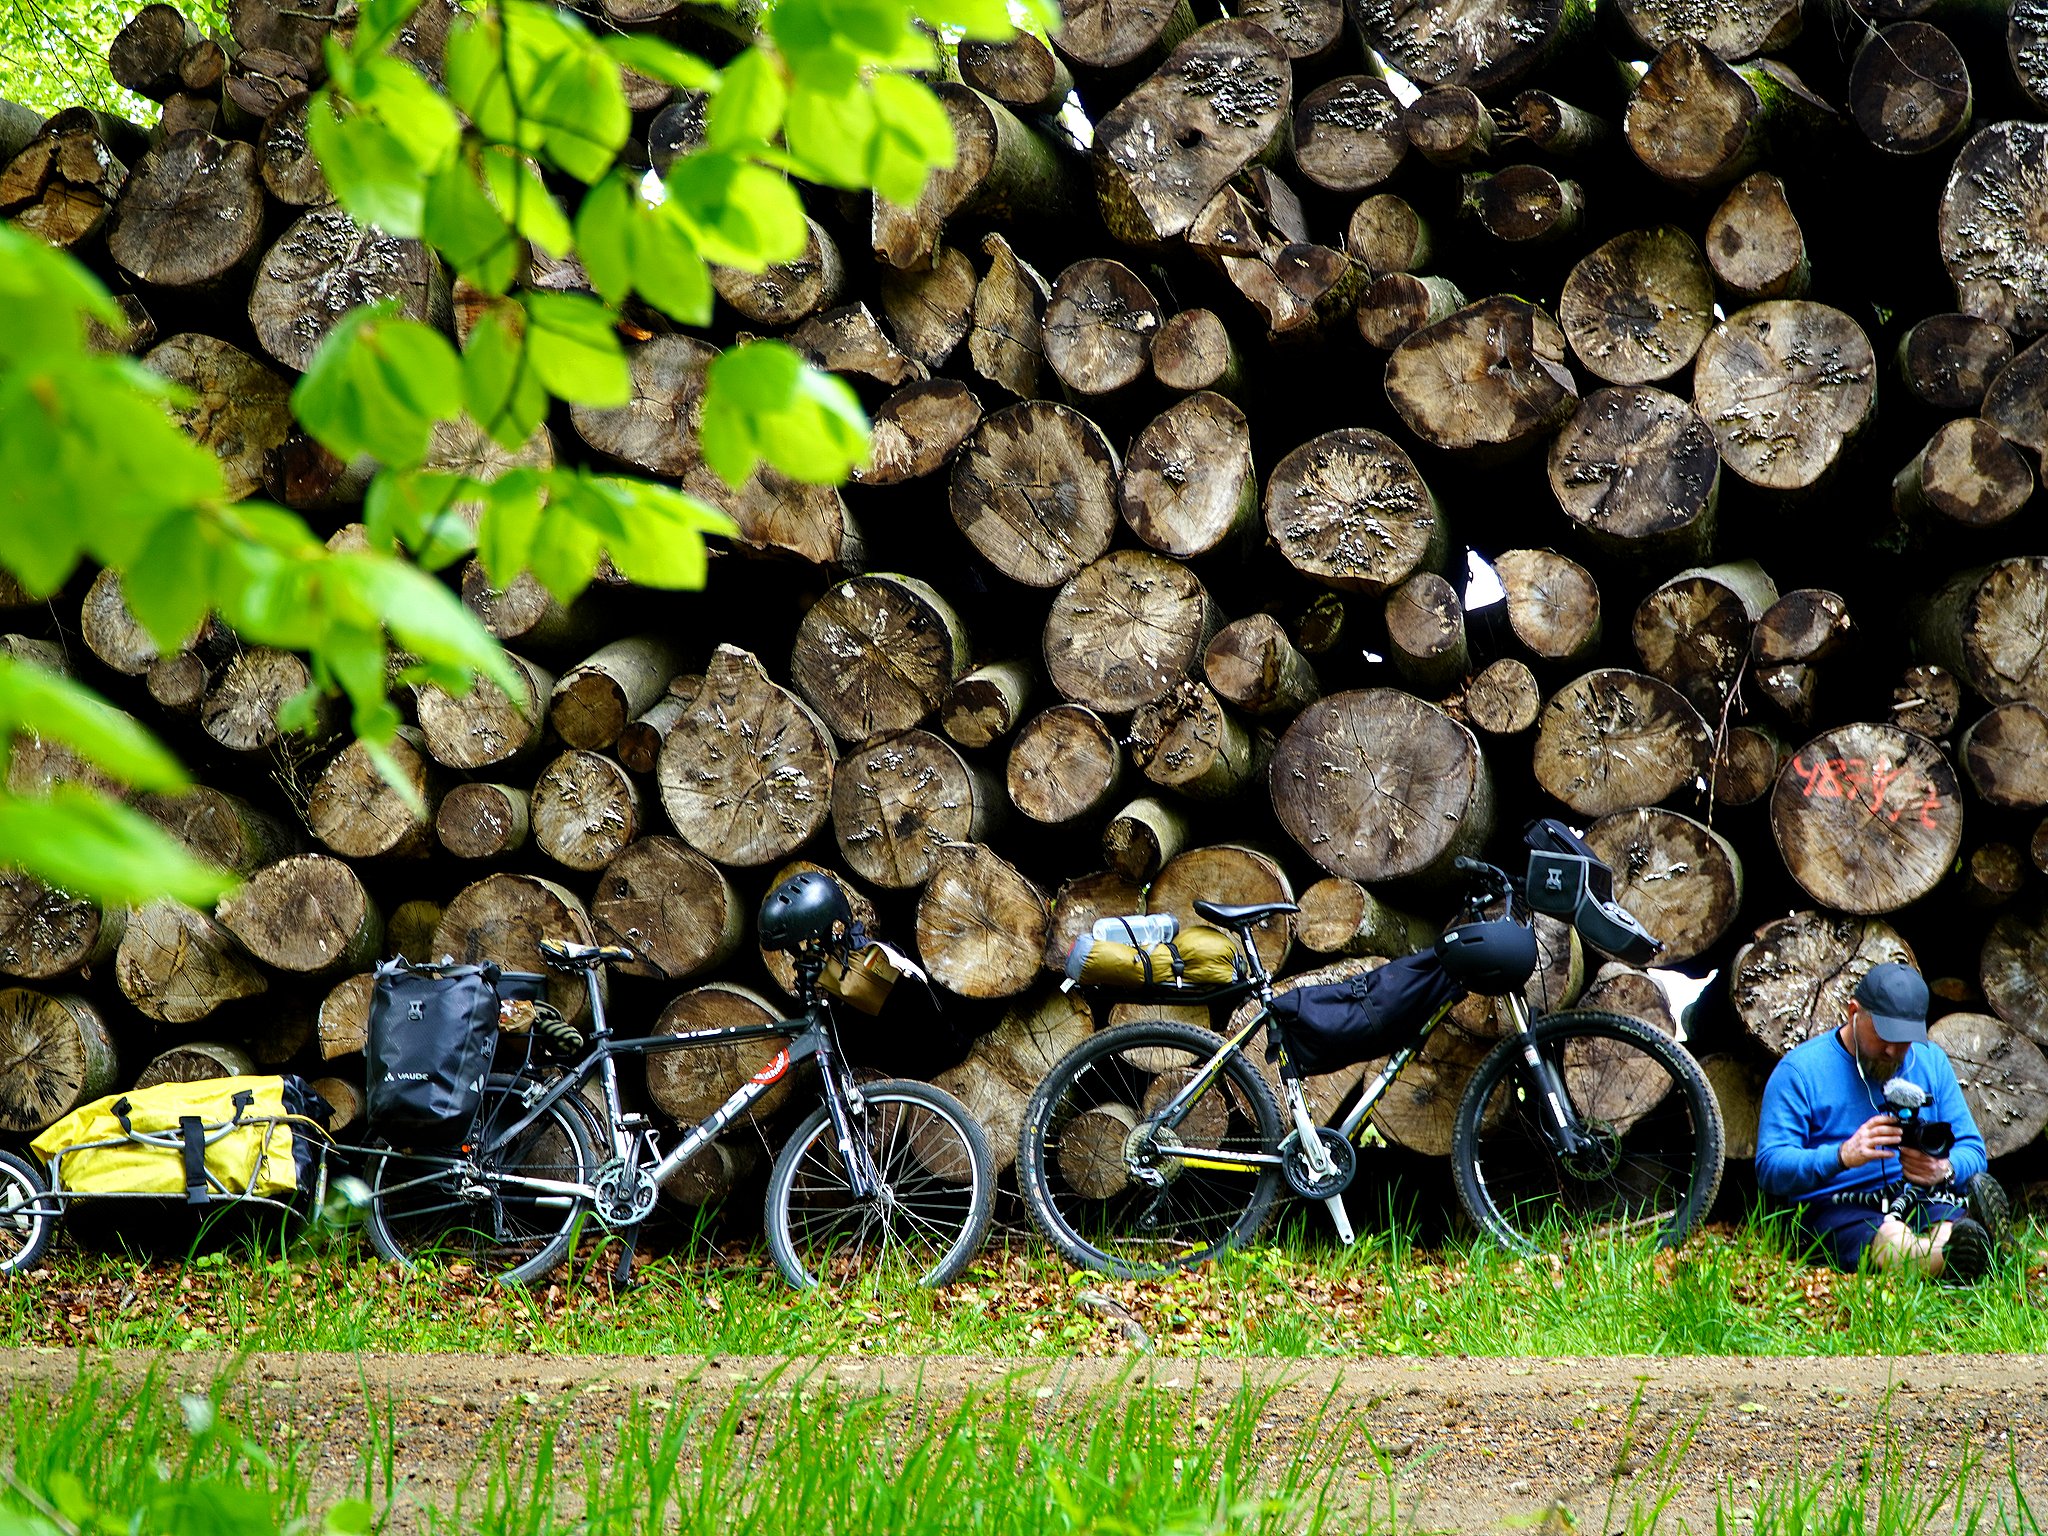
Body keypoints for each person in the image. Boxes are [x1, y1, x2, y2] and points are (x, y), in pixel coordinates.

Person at [1755, 962, 2005, 1282]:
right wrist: (1842, 1155)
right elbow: (1770, 1167)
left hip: (1919, 1196)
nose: (1891, 1050)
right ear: (1854, 1013)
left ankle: (1956, 1250)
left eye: (1904, 1041)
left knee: (1950, 1228)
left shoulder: (1930, 1061)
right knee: (1891, 1239)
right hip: (1838, 1205)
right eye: (1884, 1035)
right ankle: (1961, 1259)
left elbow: (1973, 1149)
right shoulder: (1800, 1072)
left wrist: (1945, 1168)